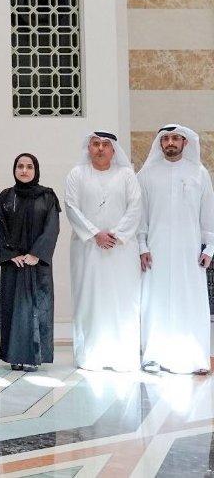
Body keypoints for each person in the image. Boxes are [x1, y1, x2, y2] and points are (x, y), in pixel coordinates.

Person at [137, 124, 214, 374]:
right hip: (155, 250)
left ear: (185, 143)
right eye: (166, 138)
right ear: (160, 143)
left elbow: (208, 215)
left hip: (190, 251)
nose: (170, 142)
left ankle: (194, 355)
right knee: (154, 300)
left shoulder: (199, 173)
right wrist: (142, 245)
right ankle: (153, 356)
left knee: (191, 299)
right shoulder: (147, 175)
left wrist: (209, 247)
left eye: (176, 138)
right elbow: (141, 215)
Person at [64, 131, 142, 372]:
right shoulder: (77, 174)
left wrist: (116, 234)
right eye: (95, 144)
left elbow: (136, 207)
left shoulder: (127, 174)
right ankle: (90, 356)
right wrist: (95, 233)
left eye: (105, 145)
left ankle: (122, 356)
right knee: (90, 299)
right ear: (88, 148)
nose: (100, 149)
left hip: (122, 250)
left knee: (122, 301)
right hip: (87, 249)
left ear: (113, 149)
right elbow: (71, 207)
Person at [0, 153, 60, 372]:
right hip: (13, 265)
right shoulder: (5, 197)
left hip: (36, 265)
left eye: (29, 166)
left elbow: (52, 228)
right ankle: (14, 356)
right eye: (20, 166)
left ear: (36, 170)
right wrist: (8, 254)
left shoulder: (48, 197)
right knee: (13, 310)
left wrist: (36, 254)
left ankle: (33, 357)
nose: (24, 170)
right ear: (14, 169)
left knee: (36, 309)